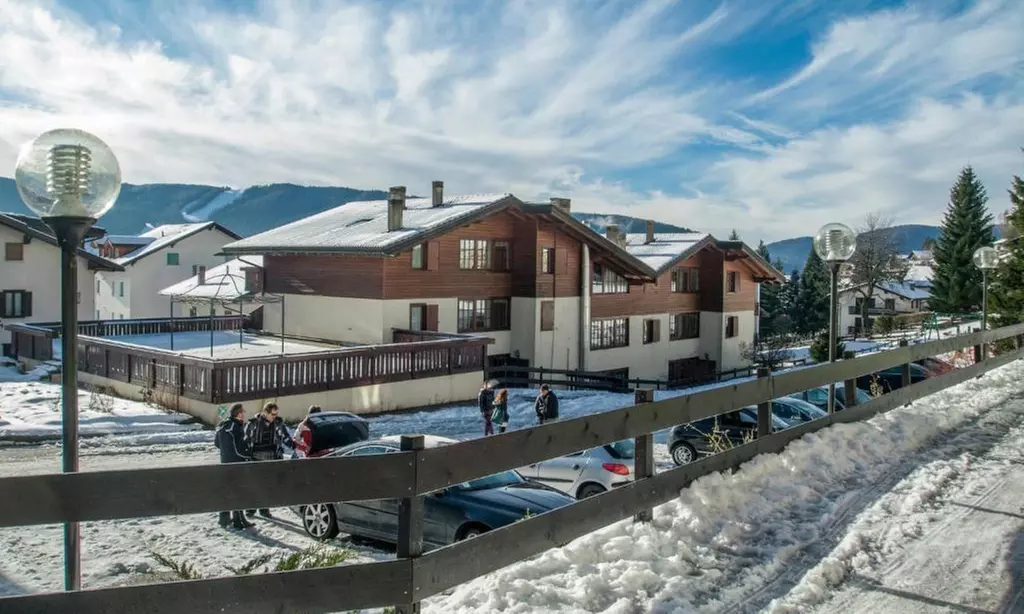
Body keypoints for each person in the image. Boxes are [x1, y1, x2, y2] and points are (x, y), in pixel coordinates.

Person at [244, 402, 294, 519]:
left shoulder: (278, 423)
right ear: (265, 413)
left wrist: (294, 445)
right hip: (256, 458)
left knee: (267, 485)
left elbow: (285, 437)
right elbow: (245, 439)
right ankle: (250, 509)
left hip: (272, 458)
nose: (275, 416)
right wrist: (246, 455)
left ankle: (264, 509)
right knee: (255, 484)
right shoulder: (254, 423)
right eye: (272, 414)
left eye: (276, 414)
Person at [213, 404, 254, 530]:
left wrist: (226, 452)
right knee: (238, 492)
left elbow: (217, 444)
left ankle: (224, 518)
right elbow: (239, 449)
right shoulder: (235, 427)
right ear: (238, 413)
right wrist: (248, 455)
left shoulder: (223, 425)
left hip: (225, 463)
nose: (244, 414)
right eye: (242, 412)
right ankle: (238, 520)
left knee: (228, 491)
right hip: (236, 464)